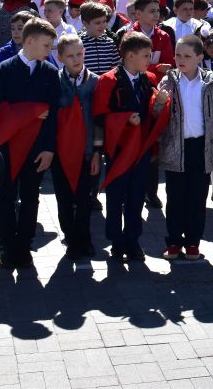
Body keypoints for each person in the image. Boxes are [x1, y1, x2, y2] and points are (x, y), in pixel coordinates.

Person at [0, 16, 59, 269]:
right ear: (29, 41)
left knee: (31, 196)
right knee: (6, 195)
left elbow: (53, 114)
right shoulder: (5, 69)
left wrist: (49, 148)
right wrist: (30, 111)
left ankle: (25, 243)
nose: (49, 51)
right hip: (8, 147)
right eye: (46, 46)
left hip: (37, 148)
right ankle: (7, 245)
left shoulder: (50, 72)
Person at [154, 35, 213, 262]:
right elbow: (156, 117)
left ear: (199, 57)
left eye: (187, 56)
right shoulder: (167, 81)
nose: (181, 60)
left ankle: (193, 242)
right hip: (175, 146)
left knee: (198, 197)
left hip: (201, 146)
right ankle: (175, 241)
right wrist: (158, 102)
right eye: (177, 55)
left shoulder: (210, 82)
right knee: (175, 197)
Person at [94, 32, 157, 261]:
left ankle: (133, 240)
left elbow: (151, 112)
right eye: (146, 55)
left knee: (136, 196)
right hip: (118, 149)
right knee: (115, 196)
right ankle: (116, 240)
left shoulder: (147, 78)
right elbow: (100, 115)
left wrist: (160, 105)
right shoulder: (108, 80)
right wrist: (124, 119)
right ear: (130, 55)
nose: (149, 60)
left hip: (140, 149)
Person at [53, 33, 100, 261]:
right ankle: (71, 237)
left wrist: (97, 152)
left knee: (84, 200)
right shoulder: (54, 82)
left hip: (87, 152)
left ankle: (84, 238)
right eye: (70, 56)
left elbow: (100, 121)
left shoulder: (95, 82)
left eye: (80, 54)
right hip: (61, 153)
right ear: (60, 57)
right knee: (63, 200)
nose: (76, 59)